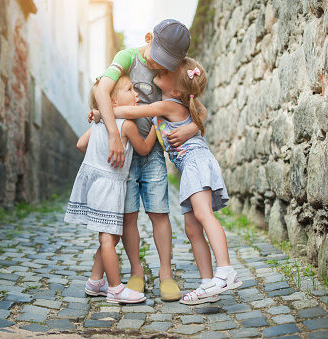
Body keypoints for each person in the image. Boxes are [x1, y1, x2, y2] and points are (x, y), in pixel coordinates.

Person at [102, 57, 242, 305]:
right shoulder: (183, 101)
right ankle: (208, 282)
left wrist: (102, 110)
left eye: (166, 71)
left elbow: (133, 111)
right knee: (192, 229)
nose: (160, 69)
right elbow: (201, 112)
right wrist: (193, 127)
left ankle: (226, 270)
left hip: (195, 161)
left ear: (176, 89)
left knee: (204, 216)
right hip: (190, 166)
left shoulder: (168, 104)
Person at [93, 19, 207, 300]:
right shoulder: (128, 57)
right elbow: (101, 90)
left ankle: (166, 274)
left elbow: (199, 109)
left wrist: (192, 128)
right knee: (128, 216)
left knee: (159, 212)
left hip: (155, 153)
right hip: (126, 155)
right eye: (160, 58)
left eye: (169, 62)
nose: (161, 66)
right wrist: (112, 134)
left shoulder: (174, 67)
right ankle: (136, 272)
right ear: (148, 38)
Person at [64, 76, 157, 304]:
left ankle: (95, 281)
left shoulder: (99, 122)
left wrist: (97, 158)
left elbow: (80, 145)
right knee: (108, 239)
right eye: (129, 89)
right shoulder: (126, 125)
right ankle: (115, 289)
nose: (136, 94)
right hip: (110, 186)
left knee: (110, 238)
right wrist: (156, 126)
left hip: (96, 184)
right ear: (112, 102)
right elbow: (144, 149)